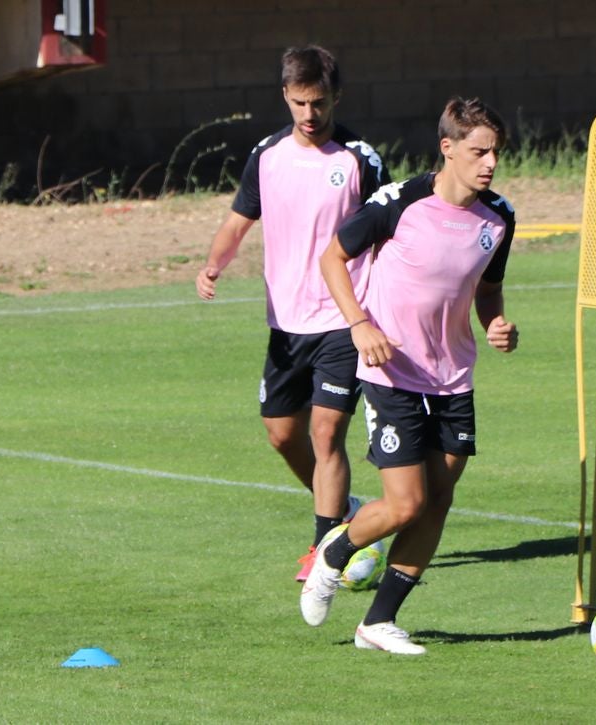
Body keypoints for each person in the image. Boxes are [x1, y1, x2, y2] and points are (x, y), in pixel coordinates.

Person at [306, 97, 519, 655]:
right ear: (447, 148)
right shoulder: (398, 202)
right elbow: (332, 258)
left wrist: (496, 323)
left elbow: (488, 291)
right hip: (392, 372)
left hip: (454, 379)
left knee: (438, 502)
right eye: (479, 151)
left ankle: (377, 622)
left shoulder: (500, 218)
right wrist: (358, 325)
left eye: (496, 151)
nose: (491, 161)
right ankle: (333, 553)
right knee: (405, 504)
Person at [195, 46, 389, 580]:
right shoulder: (268, 155)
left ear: (336, 97)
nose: (310, 113)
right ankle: (345, 511)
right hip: (286, 324)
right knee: (282, 433)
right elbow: (238, 222)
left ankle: (324, 546)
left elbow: (390, 236)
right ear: (285, 95)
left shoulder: (360, 160)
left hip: (343, 319)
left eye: (319, 102)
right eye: (300, 102)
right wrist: (213, 265)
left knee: (327, 434)